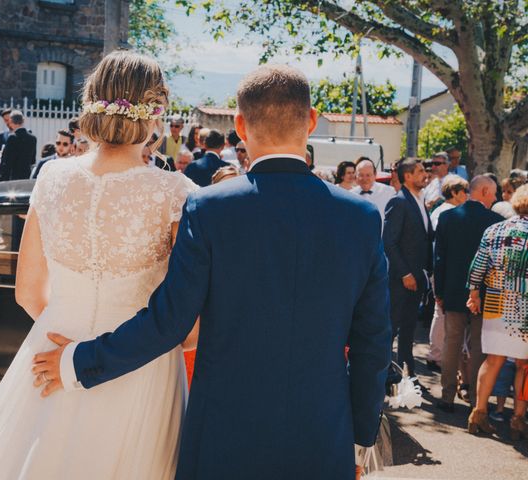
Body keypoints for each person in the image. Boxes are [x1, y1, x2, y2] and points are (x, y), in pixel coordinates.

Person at [36, 63, 391, 479]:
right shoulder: (361, 218)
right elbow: (372, 344)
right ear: (311, 121)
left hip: (223, 436)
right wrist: (360, 442)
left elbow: (169, 322)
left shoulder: (209, 210)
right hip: (323, 435)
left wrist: (80, 361)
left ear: (240, 125)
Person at [0, 51, 198, 480]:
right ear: (156, 111)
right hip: (141, 365)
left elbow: (27, 291)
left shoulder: (51, 176)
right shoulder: (175, 191)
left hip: (50, 349)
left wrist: (67, 326)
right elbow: (186, 319)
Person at [433, 176, 503, 412]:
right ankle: (476, 398)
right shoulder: (495, 222)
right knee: (478, 347)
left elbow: (439, 259)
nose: (495, 198)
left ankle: (447, 396)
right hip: (484, 294)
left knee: (451, 343)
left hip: (452, 290)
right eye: (493, 193)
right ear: (483, 191)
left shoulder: (448, 218)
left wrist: (439, 291)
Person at [466, 184, 528, 439]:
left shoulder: (495, 229)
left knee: (493, 360)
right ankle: (517, 419)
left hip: (495, 303)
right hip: (524, 307)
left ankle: (478, 414)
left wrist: (474, 295)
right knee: (524, 366)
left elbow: (477, 266)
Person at [383, 159, 432, 377]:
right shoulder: (399, 201)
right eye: (420, 171)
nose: (425, 174)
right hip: (401, 278)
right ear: (408, 176)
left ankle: (406, 373)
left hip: (418, 277)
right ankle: (382, 371)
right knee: (392, 327)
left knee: (409, 329)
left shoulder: (420, 200)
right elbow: (389, 242)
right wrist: (405, 273)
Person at [426, 176, 469, 372]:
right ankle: (436, 354)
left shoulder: (445, 212)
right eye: (464, 192)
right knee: (440, 313)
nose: (467, 196)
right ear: (454, 192)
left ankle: (438, 353)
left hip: (444, 269)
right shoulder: (445, 213)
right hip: (442, 269)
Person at [0, 110, 37, 181]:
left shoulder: (12, 138)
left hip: (13, 176)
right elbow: (32, 160)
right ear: (23, 121)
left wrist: (3, 177)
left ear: (11, 122)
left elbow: (7, 161)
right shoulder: (33, 138)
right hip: (27, 175)